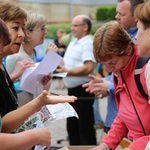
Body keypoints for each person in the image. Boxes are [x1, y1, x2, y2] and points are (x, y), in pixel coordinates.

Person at [0, 17, 77, 150]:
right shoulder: (16, 57)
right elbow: (4, 123)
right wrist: (35, 136)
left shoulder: (27, 56)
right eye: (15, 27)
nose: (21, 34)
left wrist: (41, 93)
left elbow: (39, 89)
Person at [91, 20, 150, 150]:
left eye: (112, 62)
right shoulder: (119, 71)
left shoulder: (145, 70)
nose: (110, 69)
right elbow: (124, 114)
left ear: (128, 49)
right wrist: (106, 145)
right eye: (105, 64)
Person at [57, 15, 97, 145]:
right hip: (72, 90)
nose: (72, 28)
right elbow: (67, 63)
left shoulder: (87, 43)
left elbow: (89, 67)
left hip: (83, 90)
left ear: (85, 27)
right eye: (72, 25)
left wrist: (67, 72)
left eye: (75, 25)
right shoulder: (74, 42)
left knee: (84, 127)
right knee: (72, 126)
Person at [5, 11, 58, 106]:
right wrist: (50, 58)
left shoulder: (32, 52)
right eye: (42, 29)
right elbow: (39, 89)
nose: (45, 32)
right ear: (28, 33)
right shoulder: (19, 57)